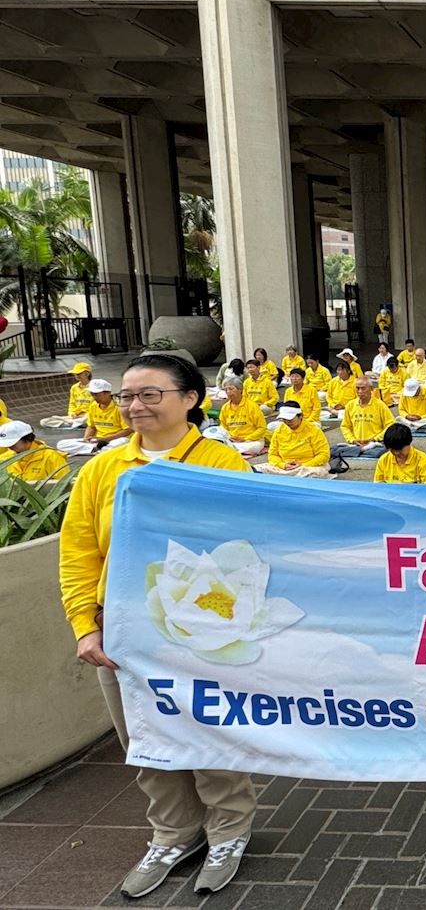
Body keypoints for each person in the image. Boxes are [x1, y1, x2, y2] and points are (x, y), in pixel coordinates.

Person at [58, 354, 256, 898]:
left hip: (197, 633)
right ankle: (174, 833)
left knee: (206, 730)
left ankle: (229, 831)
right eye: (127, 395)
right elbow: (78, 552)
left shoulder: (221, 463)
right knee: (143, 739)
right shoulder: (102, 468)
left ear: (190, 398)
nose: (133, 405)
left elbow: (242, 545)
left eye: (149, 394)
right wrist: (84, 624)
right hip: (122, 632)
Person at [258, 401, 330, 477]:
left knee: (314, 473)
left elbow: (323, 455)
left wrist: (303, 464)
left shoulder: (313, 430)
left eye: (290, 420)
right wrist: (283, 465)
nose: (287, 422)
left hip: (308, 466)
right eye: (284, 419)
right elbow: (272, 454)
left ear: (300, 416)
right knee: (257, 470)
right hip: (284, 467)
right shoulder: (279, 430)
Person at [58, 379, 130, 455]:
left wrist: (106, 439)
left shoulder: (120, 407)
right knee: (61, 444)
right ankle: (96, 449)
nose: (94, 397)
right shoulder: (93, 406)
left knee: (123, 441)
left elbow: (128, 430)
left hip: (114, 439)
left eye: (96, 394)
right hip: (97, 441)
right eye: (92, 394)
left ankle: (95, 450)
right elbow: (91, 426)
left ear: (107, 393)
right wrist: (87, 437)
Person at [334, 378, 394, 458]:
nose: (360, 391)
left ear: (371, 389)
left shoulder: (380, 405)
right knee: (333, 450)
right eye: (357, 388)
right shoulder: (350, 405)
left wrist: (374, 439)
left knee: (378, 452)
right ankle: (361, 450)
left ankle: (358, 451)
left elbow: (390, 425)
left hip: (374, 443)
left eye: (363, 388)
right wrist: (352, 440)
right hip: (356, 444)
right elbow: (345, 426)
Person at [206, 378, 267, 457]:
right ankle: (230, 449)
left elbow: (262, 428)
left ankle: (228, 450)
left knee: (254, 447)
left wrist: (246, 438)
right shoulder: (225, 407)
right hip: (232, 440)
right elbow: (223, 427)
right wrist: (230, 437)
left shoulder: (252, 406)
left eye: (231, 389)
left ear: (240, 390)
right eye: (226, 390)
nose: (228, 392)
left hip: (250, 441)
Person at [0, 420, 68, 481]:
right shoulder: (4, 459)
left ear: (27, 438)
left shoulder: (51, 457)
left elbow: (64, 483)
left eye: (13, 443)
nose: (10, 447)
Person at [42, 361, 96, 429]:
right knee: (44, 422)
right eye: (75, 374)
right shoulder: (74, 387)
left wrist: (81, 413)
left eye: (79, 373)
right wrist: (72, 414)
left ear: (87, 374)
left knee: (87, 419)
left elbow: (96, 404)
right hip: (75, 417)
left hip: (89, 415)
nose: (77, 375)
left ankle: (74, 423)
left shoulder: (94, 386)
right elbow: (72, 403)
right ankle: (73, 423)